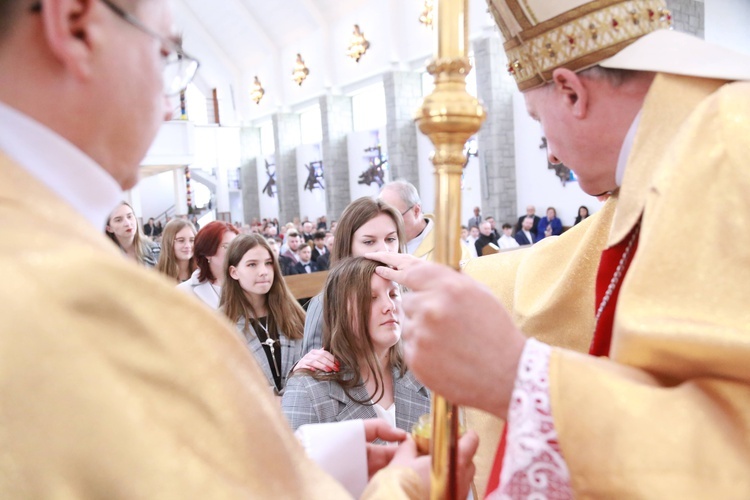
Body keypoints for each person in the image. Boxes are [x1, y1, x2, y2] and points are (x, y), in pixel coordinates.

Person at [0, 1, 481, 495]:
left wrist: (322, 460)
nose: (170, 106)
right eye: (165, 53)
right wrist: (405, 486)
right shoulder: (96, 301)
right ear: (76, 26)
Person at [369, 0, 750, 497]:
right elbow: (570, 260)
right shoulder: (680, 147)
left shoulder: (723, 145)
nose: (548, 150)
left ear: (571, 91)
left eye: (536, 119)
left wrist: (516, 375)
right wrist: (453, 273)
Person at [283, 257, 430, 432]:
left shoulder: (423, 374)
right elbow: (291, 459)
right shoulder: (309, 391)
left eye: (393, 294)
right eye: (371, 297)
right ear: (340, 311)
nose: (389, 306)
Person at [219, 234, 327, 396]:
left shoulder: (293, 314)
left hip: (300, 412)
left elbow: (317, 364)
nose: (263, 272)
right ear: (234, 272)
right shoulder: (221, 323)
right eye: (252, 265)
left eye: (268, 263)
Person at [300, 197, 406, 356]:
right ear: (348, 247)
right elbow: (311, 370)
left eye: (390, 239)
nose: (384, 250)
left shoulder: (408, 291)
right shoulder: (325, 302)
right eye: (369, 242)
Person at [176, 221, 239, 309]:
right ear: (208, 252)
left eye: (237, 246)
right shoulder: (182, 292)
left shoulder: (249, 285)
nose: (235, 252)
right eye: (226, 247)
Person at [105, 201, 160, 266]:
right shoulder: (105, 256)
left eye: (129, 216)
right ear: (109, 228)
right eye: (118, 220)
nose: (128, 223)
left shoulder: (155, 249)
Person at [156, 218, 196, 282]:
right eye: (181, 240)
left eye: (192, 240)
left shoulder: (201, 273)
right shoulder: (156, 276)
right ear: (169, 243)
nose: (188, 246)